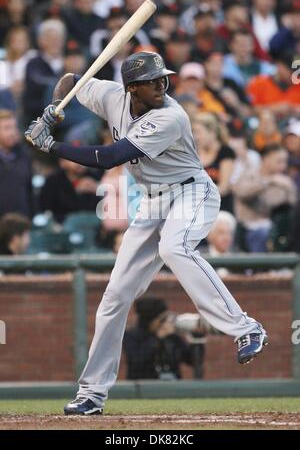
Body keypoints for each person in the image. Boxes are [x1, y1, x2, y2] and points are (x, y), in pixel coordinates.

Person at [25, 51, 268, 416]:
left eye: (162, 78)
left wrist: (50, 144)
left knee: (175, 248)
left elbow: (109, 157)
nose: (161, 84)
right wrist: (57, 104)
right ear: (132, 88)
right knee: (115, 297)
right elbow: (73, 79)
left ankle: (246, 327)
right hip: (152, 203)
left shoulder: (170, 115)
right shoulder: (111, 96)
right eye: (152, 81)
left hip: (191, 191)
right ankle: (92, 393)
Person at [123, 296, 203, 380]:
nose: (165, 322)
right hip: (144, 389)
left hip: (172, 388)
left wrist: (197, 339)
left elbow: (192, 360)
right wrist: (158, 338)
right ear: (151, 320)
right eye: (162, 319)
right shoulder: (132, 336)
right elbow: (137, 361)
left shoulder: (171, 336)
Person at [0, 109, 32, 217]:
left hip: (21, 222)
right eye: (7, 128)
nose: (13, 132)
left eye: (14, 127)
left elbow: (29, 191)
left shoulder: (25, 156)